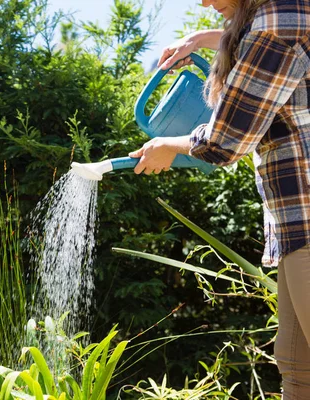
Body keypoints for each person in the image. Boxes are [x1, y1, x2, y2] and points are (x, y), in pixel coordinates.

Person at [128, 0, 310, 397]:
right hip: (296, 224)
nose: (204, 2)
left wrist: (168, 145)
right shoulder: (279, 17)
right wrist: (202, 39)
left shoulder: (277, 23)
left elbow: (226, 142)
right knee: (297, 365)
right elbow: (267, 55)